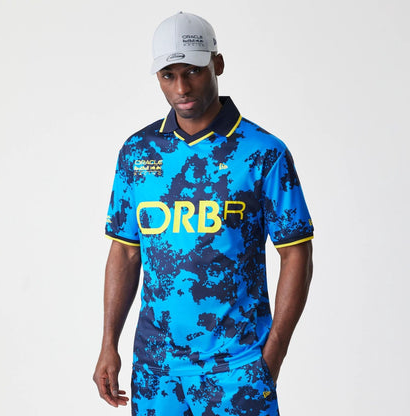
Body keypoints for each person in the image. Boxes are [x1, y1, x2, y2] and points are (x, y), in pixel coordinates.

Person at [93, 11, 313, 416]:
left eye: (193, 71)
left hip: (238, 367)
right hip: (157, 371)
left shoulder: (263, 152)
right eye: (168, 75)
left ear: (218, 64)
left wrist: (273, 354)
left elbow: (296, 251)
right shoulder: (138, 153)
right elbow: (124, 251)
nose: (181, 88)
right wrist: (109, 343)